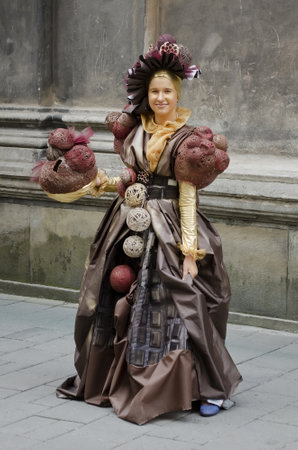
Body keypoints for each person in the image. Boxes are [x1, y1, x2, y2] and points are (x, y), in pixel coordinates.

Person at [56, 34, 242, 425]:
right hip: (128, 221)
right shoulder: (137, 132)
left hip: (170, 228)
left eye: (167, 92)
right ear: (148, 94)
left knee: (185, 304)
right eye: (155, 91)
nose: (161, 98)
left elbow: (188, 197)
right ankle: (118, 378)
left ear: (177, 95)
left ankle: (209, 386)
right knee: (112, 296)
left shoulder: (189, 139)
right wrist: (93, 182)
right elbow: (131, 179)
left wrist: (190, 252)